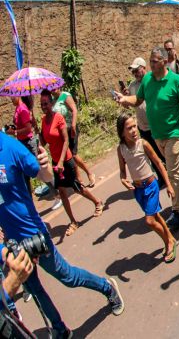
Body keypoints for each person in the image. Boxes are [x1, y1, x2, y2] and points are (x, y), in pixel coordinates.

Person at [0, 133, 124, 338]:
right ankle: (60, 329)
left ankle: (107, 287)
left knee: (67, 276)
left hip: (34, 235)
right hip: (14, 244)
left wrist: (45, 166)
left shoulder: (10, 147)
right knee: (35, 290)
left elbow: (45, 176)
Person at [114, 47, 179, 232]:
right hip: (157, 135)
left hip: (173, 133)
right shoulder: (147, 80)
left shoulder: (176, 80)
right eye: (150, 61)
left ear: (164, 61)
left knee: (172, 172)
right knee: (175, 165)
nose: (151, 64)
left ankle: (177, 212)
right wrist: (124, 99)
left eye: (155, 61)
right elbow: (138, 100)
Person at [39, 90, 104, 236]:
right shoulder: (43, 120)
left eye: (46, 103)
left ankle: (97, 202)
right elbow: (44, 143)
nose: (43, 106)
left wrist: (62, 161)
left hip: (66, 160)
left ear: (51, 103)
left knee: (77, 188)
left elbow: (66, 140)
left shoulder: (58, 117)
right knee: (62, 192)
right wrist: (38, 132)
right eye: (41, 104)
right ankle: (73, 221)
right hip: (56, 161)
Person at [116, 114, 177, 263]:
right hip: (138, 190)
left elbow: (159, 164)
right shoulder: (121, 149)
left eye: (134, 126)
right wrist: (123, 180)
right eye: (129, 128)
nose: (133, 130)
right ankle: (171, 238)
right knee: (156, 216)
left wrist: (169, 185)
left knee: (149, 221)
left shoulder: (143, 144)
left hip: (151, 186)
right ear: (122, 132)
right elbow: (122, 171)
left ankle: (169, 242)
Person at [51, 86, 96, 187]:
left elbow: (74, 110)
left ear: (59, 86)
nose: (53, 89)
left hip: (70, 129)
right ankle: (78, 179)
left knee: (73, 154)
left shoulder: (64, 96)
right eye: (51, 87)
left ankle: (89, 173)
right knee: (69, 156)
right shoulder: (53, 100)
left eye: (54, 86)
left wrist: (73, 126)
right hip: (62, 132)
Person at [125, 57, 165, 165]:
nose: (135, 73)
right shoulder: (132, 86)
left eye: (137, 70)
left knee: (164, 154)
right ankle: (161, 174)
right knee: (152, 155)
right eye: (133, 71)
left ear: (144, 67)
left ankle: (172, 173)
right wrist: (124, 98)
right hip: (143, 127)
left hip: (156, 124)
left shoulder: (153, 80)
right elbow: (128, 105)